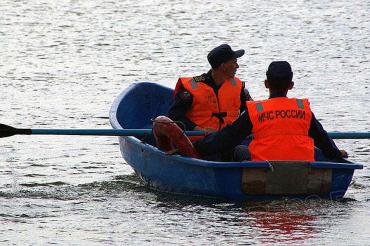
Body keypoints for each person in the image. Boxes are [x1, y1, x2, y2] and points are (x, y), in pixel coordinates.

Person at [193, 61, 348, 162]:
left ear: (266, 84)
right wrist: (337, 155)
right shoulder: (303, 110)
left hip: (264, 171)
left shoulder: (256, 111)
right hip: (302, 171)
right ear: (291, 85)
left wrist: (197, 147)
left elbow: (227, 138)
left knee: (237, 149)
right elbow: (323, 140)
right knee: (315, 148)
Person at [168, 44, 253, 140]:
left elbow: (253, 109)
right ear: (223, 66)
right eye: (234, 62)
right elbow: (174, 116)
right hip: (200, 141)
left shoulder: (237, 85)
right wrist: (198, 129)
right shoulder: (191, 86)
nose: (237, 66)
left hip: (229, 140)